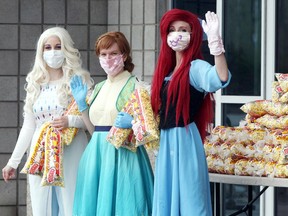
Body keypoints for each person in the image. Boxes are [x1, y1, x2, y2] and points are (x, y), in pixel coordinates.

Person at [1, 27, 93, 216]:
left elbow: (91, 121)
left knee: (71, 204)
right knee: (42, 206)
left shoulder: (78, 81)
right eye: (47, 47)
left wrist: (71, 121)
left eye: (58, 46)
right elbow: (28, 126)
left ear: (66, 49)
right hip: (40, 153)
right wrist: (13, 162)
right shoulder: (35, 83)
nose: (53, 52)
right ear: (41, 52)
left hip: (71, 149)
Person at [150, 9, 232, 216]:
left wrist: (215, 44)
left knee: (190, 199)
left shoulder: (195, 67)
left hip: (185, 141)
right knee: (165, 198)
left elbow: (220, 78)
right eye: (172, 30)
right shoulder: (167, 72)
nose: (176, 34)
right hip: (166, 141)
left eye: (183, 29)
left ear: (193, 35)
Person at [70, 31, 154, 216]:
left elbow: (149, 129)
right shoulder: (98, 88)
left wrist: (132, 123)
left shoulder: (137, 86)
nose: (108, 58)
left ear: (124, 55)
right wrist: (83, 106)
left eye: (113, 53)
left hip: (124, 154)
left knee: (125, 205)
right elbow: (94, 131)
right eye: (103, 54)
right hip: (96, 154)